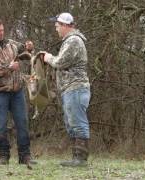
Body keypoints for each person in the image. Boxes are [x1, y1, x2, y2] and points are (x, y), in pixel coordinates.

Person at [0, 18, 36, 165]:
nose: (2, 33)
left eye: (3, 30)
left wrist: (30, 47)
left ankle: (25, 156)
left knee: (22, 123)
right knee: (1, 125)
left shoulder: (11, 44)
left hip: (17, 91)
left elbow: (26, 51)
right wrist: (9, 68)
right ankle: (3, 156)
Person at [41, 12, 91, 167]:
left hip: (75, 88)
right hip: (70, 89)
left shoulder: (73, 41)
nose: (56, 29)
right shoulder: (70, 40)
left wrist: (47, 57)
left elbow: (60, 62)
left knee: (78, 123)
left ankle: (80, 159)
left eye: (57, 26)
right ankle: (76, 157)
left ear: (64, 25)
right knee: (71, 123)